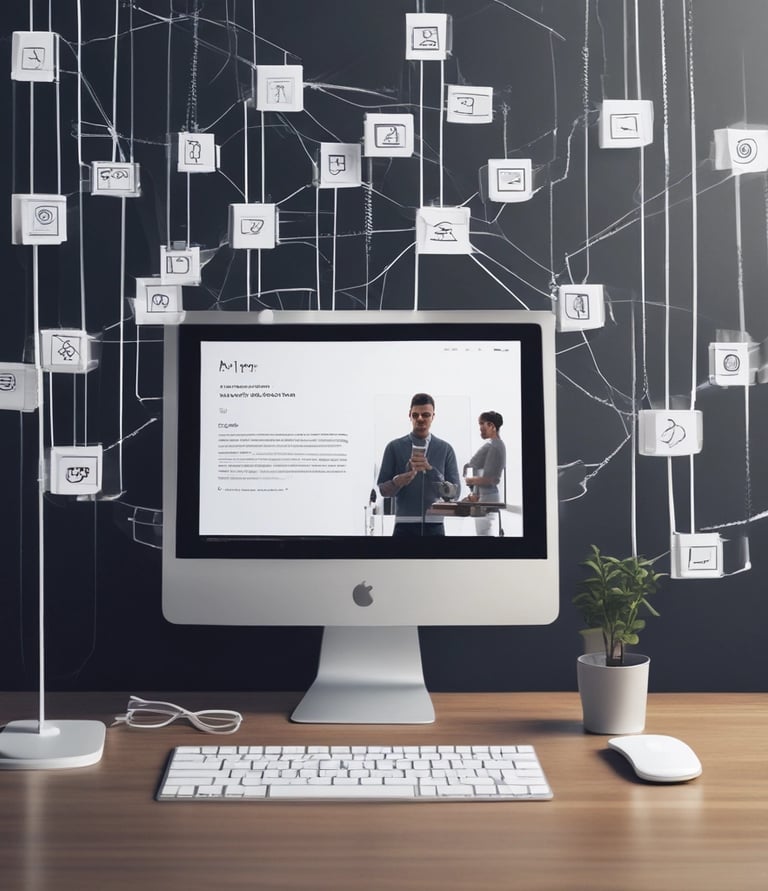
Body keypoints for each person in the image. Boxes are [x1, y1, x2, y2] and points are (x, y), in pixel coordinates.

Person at [377, 393, 460, 537]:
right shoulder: (393, 447)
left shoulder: (446, 449)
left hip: (434, 526)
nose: (420, 419)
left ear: (433, 416)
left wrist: (431, 470)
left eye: (426, 415)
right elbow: (382, 490)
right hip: (403, 526)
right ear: (409, 415)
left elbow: (455, 494)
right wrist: (398, 481)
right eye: (416, 415)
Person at [463, 411, 506, 536]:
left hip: (487, 497)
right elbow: (473, 466)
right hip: (482, 496)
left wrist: (471, 480)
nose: (480, 428)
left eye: (482, 424)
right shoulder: (492, 445)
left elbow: (492, 479)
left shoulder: (496, 446)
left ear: (492, 426)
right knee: (482, 533)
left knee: (483, 534)